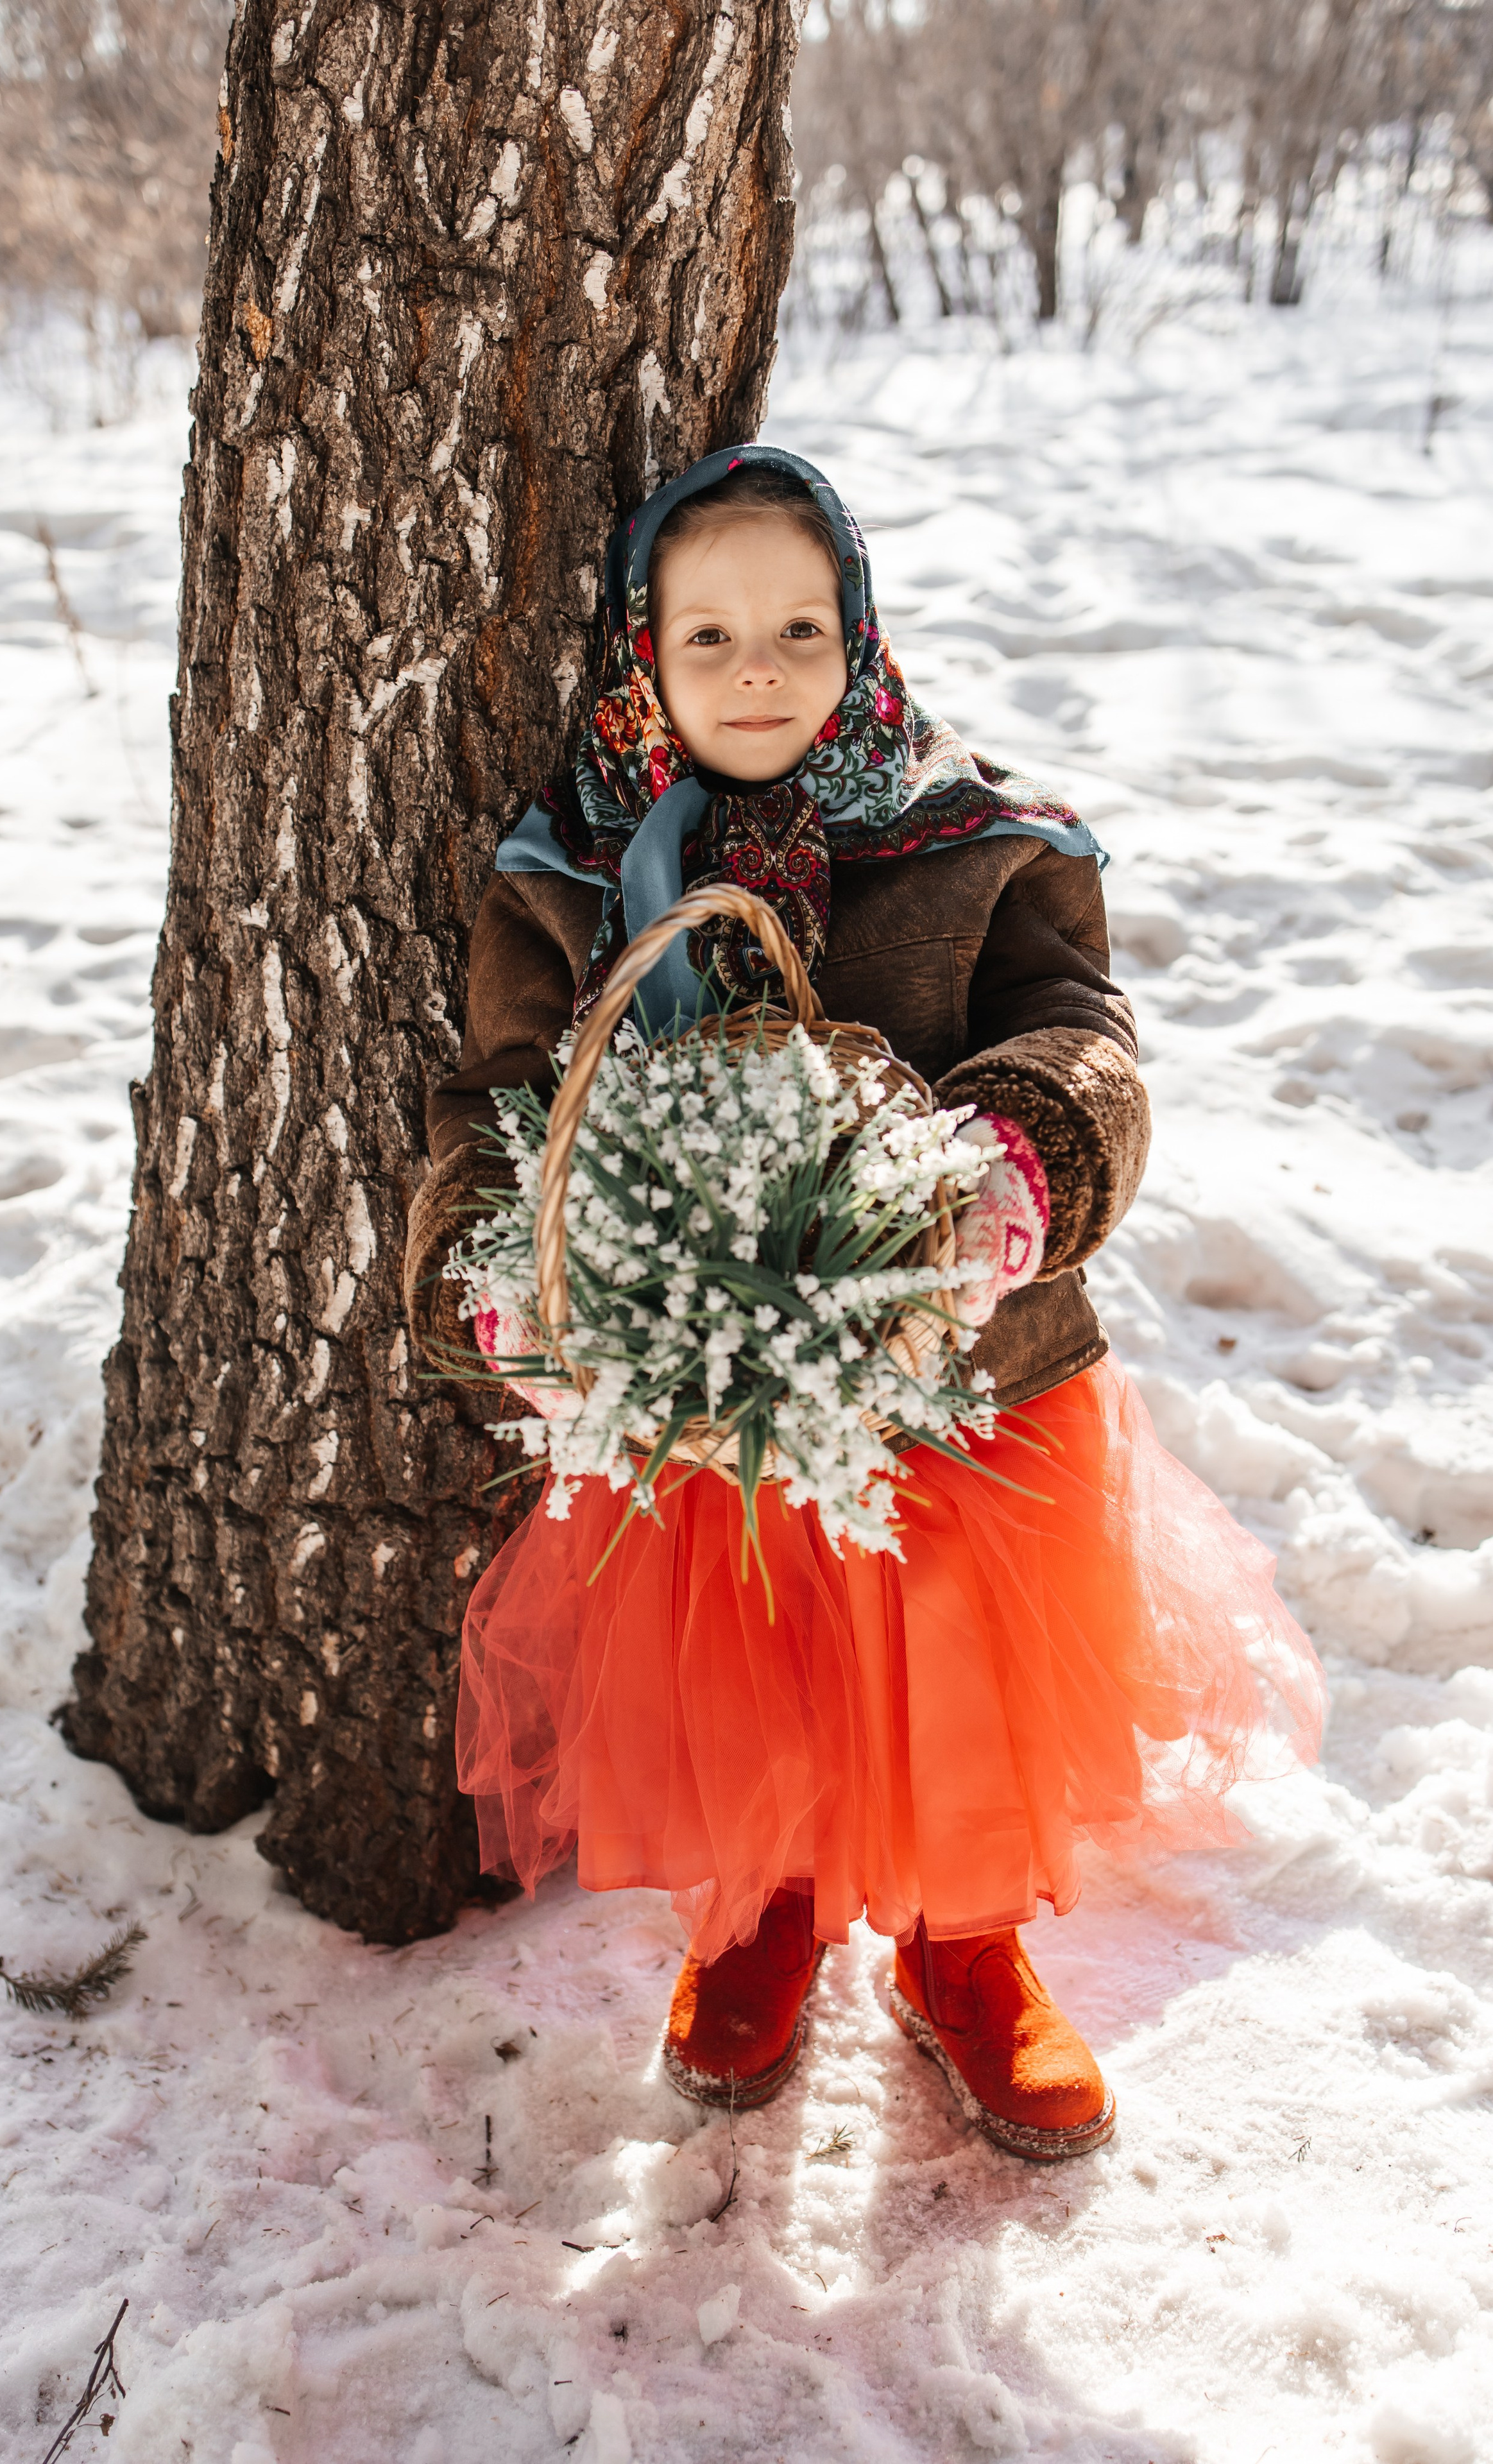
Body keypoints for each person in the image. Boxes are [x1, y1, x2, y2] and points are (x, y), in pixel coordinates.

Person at [403, 445, 1325, 2164]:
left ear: (863, 633)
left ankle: (969, 1948)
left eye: (803, 630)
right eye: (712, 638)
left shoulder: (970, 837)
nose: (761, 674)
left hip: (960, 1363)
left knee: (958, 1663)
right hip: (708, 1380)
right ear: (643, 654)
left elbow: (1081, 1032)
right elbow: (502, 1099)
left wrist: (1018, 1164)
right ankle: (768, 1905)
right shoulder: (576, 869)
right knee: (755, 1667)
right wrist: (504, 1280)